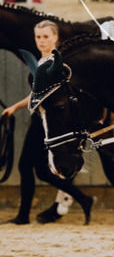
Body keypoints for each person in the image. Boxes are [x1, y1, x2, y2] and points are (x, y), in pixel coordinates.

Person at [1, 20, 95, 225]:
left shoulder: (55, 63)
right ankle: (82, 199)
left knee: (27, 166)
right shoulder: (43, 61)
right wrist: (15, 107)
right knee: (37, 169)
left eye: (45, 37)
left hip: (47, 122)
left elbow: (49, 97)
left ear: (55, 37)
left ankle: (24, 216)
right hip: (41, 118)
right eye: (38, 37)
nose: (41, 41)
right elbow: (38, 94)